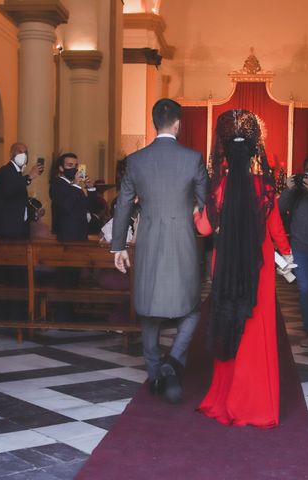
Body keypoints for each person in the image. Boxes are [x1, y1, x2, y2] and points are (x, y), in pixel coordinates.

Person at [195, 109, 293, 428]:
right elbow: (276, 228)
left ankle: (225, 399)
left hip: (225, 267)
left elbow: (205, 229)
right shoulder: (264, 188)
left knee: (230, 325)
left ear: (224, 152)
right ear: (254, 151)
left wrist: (195, 213)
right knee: (256, 328)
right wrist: (287, 255)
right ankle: (255, 404)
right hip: (258, 268)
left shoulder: (219, 189)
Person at [112, 98, 208, 404]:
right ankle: (173, 360)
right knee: (192, 308)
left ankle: (155, 374)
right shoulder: (192, 158)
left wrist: (118, 246)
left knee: (149, 310)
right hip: (183, 243)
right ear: (178, 123)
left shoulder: (136, 161)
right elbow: (206, 205)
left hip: (149, 242)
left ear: (155, 123)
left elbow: (123, 204)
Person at [278, 155, 308, 348]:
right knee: (305, 290)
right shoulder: (296, 193)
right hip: (300, 249)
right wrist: (288, 189)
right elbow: (279, 208)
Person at [0, 142, 43, 239]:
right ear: (11, 154)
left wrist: (33, 213)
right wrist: (28, 177)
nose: (23, 155)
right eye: (20, 152)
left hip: (20, 228)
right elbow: (9, 190)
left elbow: (19, 199)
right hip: (8, 229)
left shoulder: (18, 174)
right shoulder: (5, 171)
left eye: (25, 152)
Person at [49, 152, 97, 241]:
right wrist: (75, 185)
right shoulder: (57, 185)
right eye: (70, 165)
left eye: (75, 166)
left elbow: (90, 207)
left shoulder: (76, 187)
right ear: (61, 168)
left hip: (81, 234)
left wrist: (90, 188)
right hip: (66, 236)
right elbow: (65, 207)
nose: (74, 169)